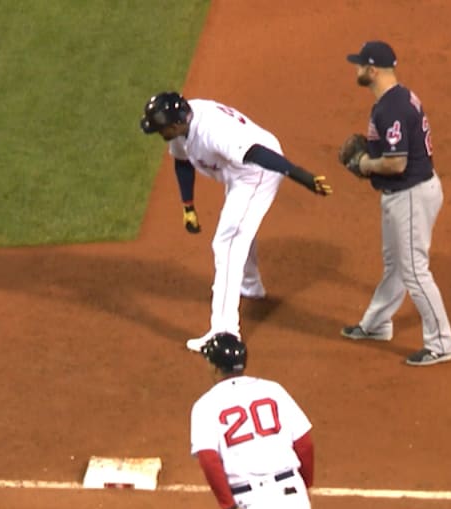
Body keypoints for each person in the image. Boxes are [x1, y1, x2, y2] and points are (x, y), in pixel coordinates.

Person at [140, 92, 332, 352]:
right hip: (236, 169)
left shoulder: (213, 131)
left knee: (227, 243)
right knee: (241, 227)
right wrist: (188, 207)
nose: (159, 133)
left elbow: (256, 154)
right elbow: (182, 161)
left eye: (161, 128)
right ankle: (250, 285)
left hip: (258, 169)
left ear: (174, 124)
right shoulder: (183, 123)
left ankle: (224, 332)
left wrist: (302, 176)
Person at [339, 40, 451, 367]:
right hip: (406, 193)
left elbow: (396, 163)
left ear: (373, 69)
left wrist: (365, 164)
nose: (357, 68)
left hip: (410, 194)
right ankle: (376, 324)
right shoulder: (399, 97)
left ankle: (441, 344)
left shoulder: (390, 108)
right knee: (395, 265)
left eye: (360, 64)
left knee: (415, 272)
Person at [189, 332, 326, 509]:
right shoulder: (273, 390)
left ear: (214, 366)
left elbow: (209, 460)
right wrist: (304, 486)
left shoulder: (205, 405)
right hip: (290, 491)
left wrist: (228, 505)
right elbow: (304, 443)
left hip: (248, 502)